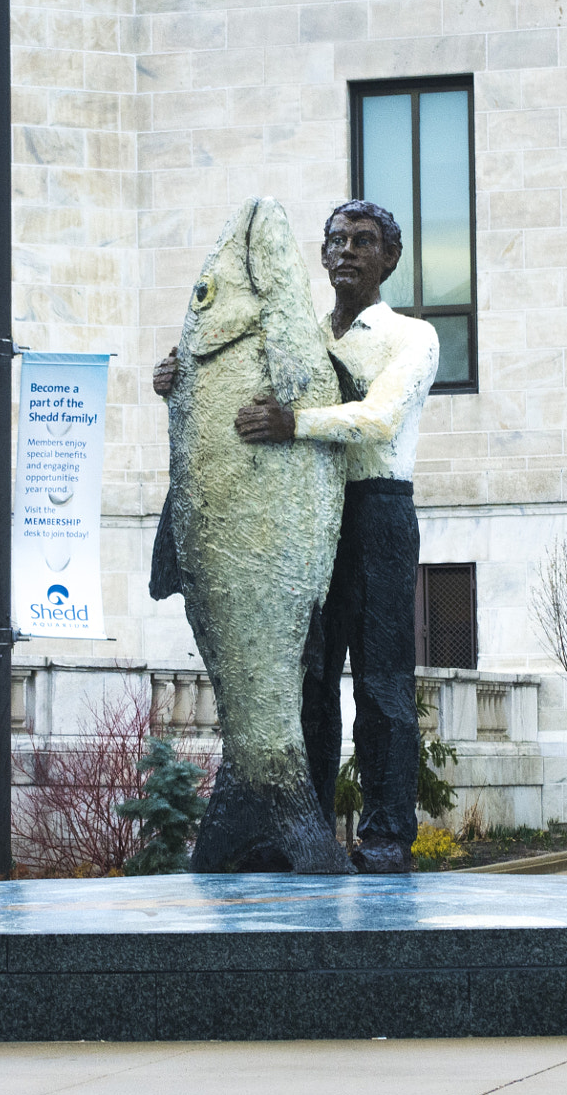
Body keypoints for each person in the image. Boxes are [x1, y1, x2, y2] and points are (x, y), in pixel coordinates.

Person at [154, 199, 439, 872]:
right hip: (299, 517)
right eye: (336, 240)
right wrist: (179, 381)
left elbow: (379, 419)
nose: (346, 252)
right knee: (305, 682)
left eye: (363, 242)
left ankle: (387, 836)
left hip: (374, 514)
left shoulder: (411, 337)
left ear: (389, 258)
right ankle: (293, 826)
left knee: (381, 686)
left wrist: (294, 424)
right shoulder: (297, 332)